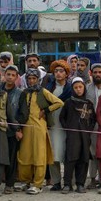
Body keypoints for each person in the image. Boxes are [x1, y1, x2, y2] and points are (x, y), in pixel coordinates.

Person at [15, 69, 64, 195]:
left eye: (34, 78)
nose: (31, 81)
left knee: (39, 155)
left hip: (39, 127)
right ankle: (26, 181)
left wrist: (46, 110)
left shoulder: (43, 92)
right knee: (24, 155)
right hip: (26, 127)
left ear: (38, 79)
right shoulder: (24, 93)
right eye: (29, 78)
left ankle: (38, 184)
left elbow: (59, 102)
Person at [59, 77, 96, 194]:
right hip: (72, 136)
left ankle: (80, 184)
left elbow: (93, 119)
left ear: (84, 88)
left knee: (83, 159)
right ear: (72, 89)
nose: (78, 89)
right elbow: (62, 118)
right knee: (70, 159)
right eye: (76, 87)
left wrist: (88, 130)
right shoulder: (69, 102)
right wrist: (69, 128)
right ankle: (67, 184)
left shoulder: (88, 104)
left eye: (80, 87)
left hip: (85, 137)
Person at [42, 59, 74, 191]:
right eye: (56, 71)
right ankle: (56, 182)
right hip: (53, 125)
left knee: (68, 154)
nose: (58, 73)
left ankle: (68, 181)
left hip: (67, 125)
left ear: (66, 73)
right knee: (53, 154)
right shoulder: (48, 89)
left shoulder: (71, 88)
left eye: (61, 71)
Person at [85, 63, 101, 187]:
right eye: (95, 72)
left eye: (100, 72)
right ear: (91, 74)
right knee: (93, 152)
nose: (98, 74)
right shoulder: (87, 88)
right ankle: (93, 178)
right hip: (91, 125)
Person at [2, 65, 22, 193]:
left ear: (16, 77)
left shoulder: (20, 93)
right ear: (4, 75)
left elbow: (21, 113)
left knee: (11, 158)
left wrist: (18, 129)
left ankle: (9, 184)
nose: (10, 77)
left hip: (12, 130)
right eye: (8, 74)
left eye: (13, 75)